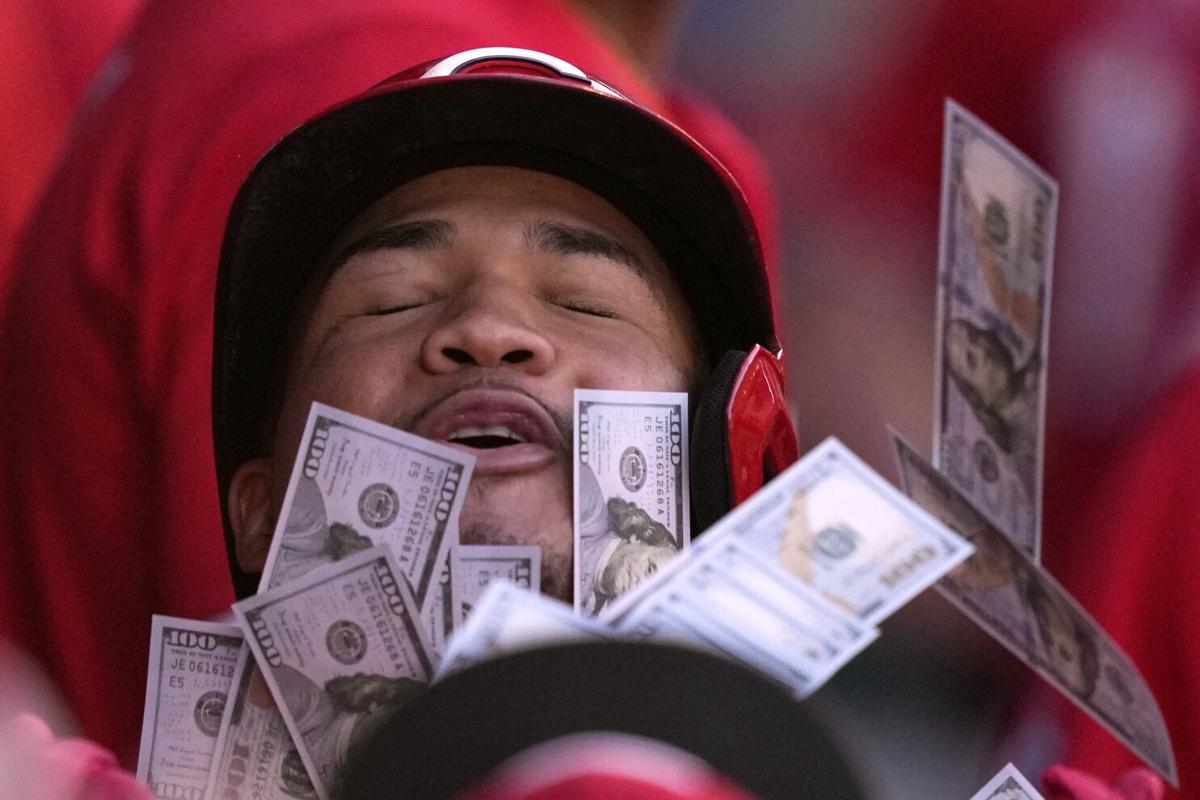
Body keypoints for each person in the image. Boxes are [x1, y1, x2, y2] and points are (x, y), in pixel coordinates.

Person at [0, 0, 782, 759]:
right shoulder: (348, 50)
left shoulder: (695, 138)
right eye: (394, 301)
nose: (488, 327)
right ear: (260, 510)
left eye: (584, 303)